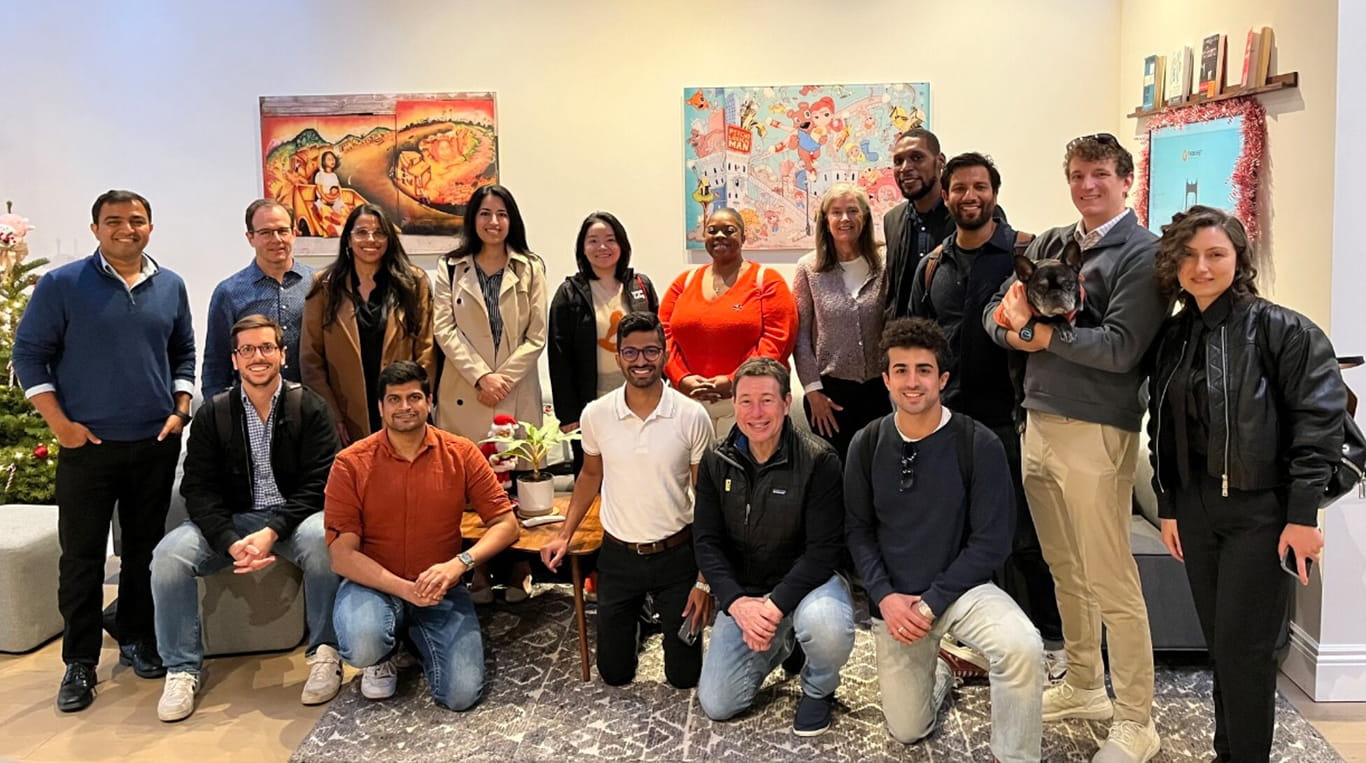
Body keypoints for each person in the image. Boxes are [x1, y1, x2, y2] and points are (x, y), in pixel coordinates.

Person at [984, 133, 1166, 763]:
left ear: (1126, 179)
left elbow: (1120, 350)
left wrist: (1038, 337)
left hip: (1097, 431)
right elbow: (996, 315)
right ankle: (1087, 684)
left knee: (1112, 578)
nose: (1087, 186)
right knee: (1064, 568)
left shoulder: (1144, 255)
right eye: (1077, 176)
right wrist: (1014, 329)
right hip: (1038, 420)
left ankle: (1138, 719)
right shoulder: (1055, 242)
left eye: (1100, 175)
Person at [1148, 206, 1344, 762]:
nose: (1201, 267)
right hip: (1195, 508)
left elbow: (1319, 426)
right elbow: (1160, 427)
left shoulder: (1283, 329)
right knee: (1223, 647)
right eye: (1188, 255)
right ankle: (1226, 752)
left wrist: (1303, 517)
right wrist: (1168, 505)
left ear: (1240, 259)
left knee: (1248, 651)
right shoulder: (1174, 336)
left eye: (1215, 254)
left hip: (1262, 512)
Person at [12, 189, 195, 712]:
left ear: (150, 228)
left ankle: (136, 637)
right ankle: (80, 661)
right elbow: (29, 355)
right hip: (87, 447)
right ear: (96, 229)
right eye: (113, 221)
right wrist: (61, 426)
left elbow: (183, 349)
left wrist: (180, 408)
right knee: (84, 557)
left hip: (154, 443)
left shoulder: (170, 285)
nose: (126, 229)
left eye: (136, 221)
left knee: (143, 552)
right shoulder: (62, 285)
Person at [845, 318, 1042, 761]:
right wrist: (886, 597)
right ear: (886, 379)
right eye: (901, 370)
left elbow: (992, 543)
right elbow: (856, 532)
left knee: (1023, 647)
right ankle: (941, 670)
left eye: (923, 370)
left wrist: (933, 602)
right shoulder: (866, 442)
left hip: (961, 592)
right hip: (895, 602)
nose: (911, 382)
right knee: (908, 730)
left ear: (943, 379)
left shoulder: (978, 443)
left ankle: (1015, 755)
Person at [908, 153, 1064, 680]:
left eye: (979, 187)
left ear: (994, 192)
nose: (968, 196)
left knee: (1024, 536)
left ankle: (1052, 642)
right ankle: (969, 639)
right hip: (946, 423)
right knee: (954, 535)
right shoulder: (931, 263)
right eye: (959, 188)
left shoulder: (1027, 254)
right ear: (946, 195)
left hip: (1013, 420)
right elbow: (916, 337)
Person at [150, 315, 342, 722]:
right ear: (235, 360)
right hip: (231, 522)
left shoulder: (309, 407)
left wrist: (273, 531)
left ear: (282, 355)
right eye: (248, 350)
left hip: (291, 519)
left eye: (267, 348)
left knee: (326, 543)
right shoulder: (212, 414)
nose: (258, 357)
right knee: (168, 558)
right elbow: (196, 489)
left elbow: (319, 483)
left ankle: (325, 654)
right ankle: (182, 668)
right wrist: (226, 539)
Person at [325, 361, 521, 710]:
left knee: (460, 696)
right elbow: (342, 555)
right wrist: (405, 590)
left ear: (429, 401)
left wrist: (458, 565)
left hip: (441, 586)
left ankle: (412, 638)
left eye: (414, 397)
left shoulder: (461, 452)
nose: (405, 407)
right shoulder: (350, 463)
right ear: (381, 407)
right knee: (364, 641)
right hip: (374, 585)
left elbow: (506, 525)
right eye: (394, 399)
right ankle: (383, 650)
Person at [541, 312, 716, 689]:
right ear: (618, 357)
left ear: (665, 353)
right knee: (615, 675)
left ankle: (658, 614)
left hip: (677, 555)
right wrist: (563, 534)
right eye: (631, 352)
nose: (641, 361)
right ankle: (641, 618)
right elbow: (590, 474)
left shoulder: (691, 415)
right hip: (619, 556)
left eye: (651, 351)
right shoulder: (597, 414)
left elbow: (706, 498)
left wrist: (704, 579)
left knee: (685, 677)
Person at [693, 357, 855, 736]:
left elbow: (823, 552)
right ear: (733, 404)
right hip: (746, 595)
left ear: (786, 403)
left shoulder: (819, 460)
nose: (756, 412)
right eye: (746, 401)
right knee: (718, 704)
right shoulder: (716, 461)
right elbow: (706, 542)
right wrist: (737, 605)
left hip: (807, 587)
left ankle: (818, 688)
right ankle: (785, 642)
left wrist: (774, 606)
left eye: (767, 400)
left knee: (827, 629)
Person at [433, 184, 547, 602]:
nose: (493, 221)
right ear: (473, 219)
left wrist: (503, 377)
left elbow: (537, 335)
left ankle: (519, 567)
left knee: (517, 482)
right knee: (471, 484)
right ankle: (477, 568)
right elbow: (444, 329)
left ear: (511, 219)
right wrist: (482, 376)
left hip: (517, 389)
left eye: (501, 213)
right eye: (485, 213)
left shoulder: (530, 266)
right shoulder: (450, 266)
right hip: (465, 391)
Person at [301, 203, 436, 446]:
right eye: (361, 232)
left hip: (402, 407)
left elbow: (426, 350)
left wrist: (416, 404)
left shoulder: (414, 282)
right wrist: (331, 413)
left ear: (389, 238)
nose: (370, 240)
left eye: (379, 233)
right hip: (346, 411)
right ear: (348, 239)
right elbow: (311, 359)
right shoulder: (325, 285)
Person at [660, 207, 797, 436]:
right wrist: (682, 379)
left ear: (743, 237)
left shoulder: (768, 281)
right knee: (691, 472)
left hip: (750, 406)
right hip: (688, 405)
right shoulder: (684, 282)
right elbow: (663, 336)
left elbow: (777, 342)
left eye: (729, 230)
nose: (720, 236)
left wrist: (735, 380)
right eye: (712, 230)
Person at [548, 211, 659, 474]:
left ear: (622, 244)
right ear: (582, 247)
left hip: (639, 402)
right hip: (592, 407)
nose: (602, 247)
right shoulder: (569, 293)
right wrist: (569, 416)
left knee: (641, 474)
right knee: (594, 478)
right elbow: (558, 355)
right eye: (593, 240)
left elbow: (658, 343)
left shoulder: (640, 286)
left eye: (610, 240)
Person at [792, 183, 890, 461]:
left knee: (877, 474)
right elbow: (800, 339)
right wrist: (813, 393)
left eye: (852, 211)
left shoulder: (886, 263)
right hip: (830, 396)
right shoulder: (808, 269)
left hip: (880, 390)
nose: (844, 219)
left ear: (865, 217)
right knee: (837, 477)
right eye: (836, 212)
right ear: (825, 220)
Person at [201, 199, 314, 398]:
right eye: (266, 233)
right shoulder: (229, 292)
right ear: (250, 238)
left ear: (294, 233)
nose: (276, 239)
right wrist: (216, 416)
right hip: (251, 407)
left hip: (310, 408)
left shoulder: (317, 284)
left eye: (283, 231)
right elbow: (216, 364)